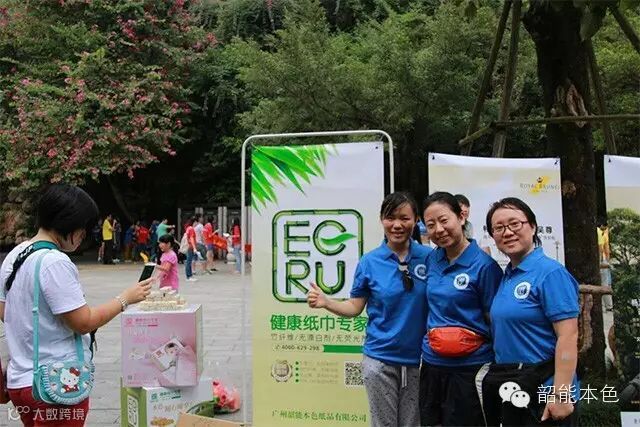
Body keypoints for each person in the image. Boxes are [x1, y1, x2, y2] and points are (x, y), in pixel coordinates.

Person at [0, 184, 151, 427]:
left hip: (20, 381)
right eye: (83, 229)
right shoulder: (54, 262)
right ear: (69, 224)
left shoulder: (15, 255)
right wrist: (125, 299)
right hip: (56, 384)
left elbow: (5, 312)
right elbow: (83, 322)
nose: (83, 236)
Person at [308, 192, 431, 427]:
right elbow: (355, 306)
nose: (397, 225)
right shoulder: (369, 261)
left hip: (420, 361)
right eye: (390, 218)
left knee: (413, 424)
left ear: (416, 220)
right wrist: (327, 302)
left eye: (404, 218)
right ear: (381, 220)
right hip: (380, 360)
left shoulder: (430, 258)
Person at [482, 197, 579, 426]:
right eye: (499, 228)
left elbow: (568, 335)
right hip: (515, 387)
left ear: (533, 227)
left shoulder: (550, 273)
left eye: (515, 224)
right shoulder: (507, 275)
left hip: (545, 392)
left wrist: (561, 394)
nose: (508, 232)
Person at [419, 192, 503, 426]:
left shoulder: (485, 266)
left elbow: (495, 321)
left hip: (471, 369)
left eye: (444, 220)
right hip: (432, 365)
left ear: (461, 217)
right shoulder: (432, 260)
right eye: (431, 225)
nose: (438, 229)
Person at [184, 218, 198, 282]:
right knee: (189, 262)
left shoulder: (188, 228)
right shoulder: (191, 229)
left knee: (188, 261)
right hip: (190, 247)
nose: (197, 224)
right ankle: (188, 276)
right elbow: (191, 238)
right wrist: (194, 247)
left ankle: (190, 275)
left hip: (189, 246)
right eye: (196, 222)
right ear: (194, 222)